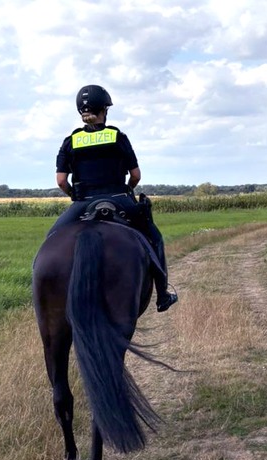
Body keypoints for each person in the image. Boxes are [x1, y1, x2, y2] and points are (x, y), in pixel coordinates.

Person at [53, 84, 178, 312]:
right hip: (119, 198)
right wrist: (128, 190)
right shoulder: (117, 137)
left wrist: (75, 195)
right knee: (154, 238)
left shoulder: (70, 141)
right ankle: (162, 295)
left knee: (52, 239)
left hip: (82, 203)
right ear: (105, 110)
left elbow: (61, 181)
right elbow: (136, 175)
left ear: (80, 111)